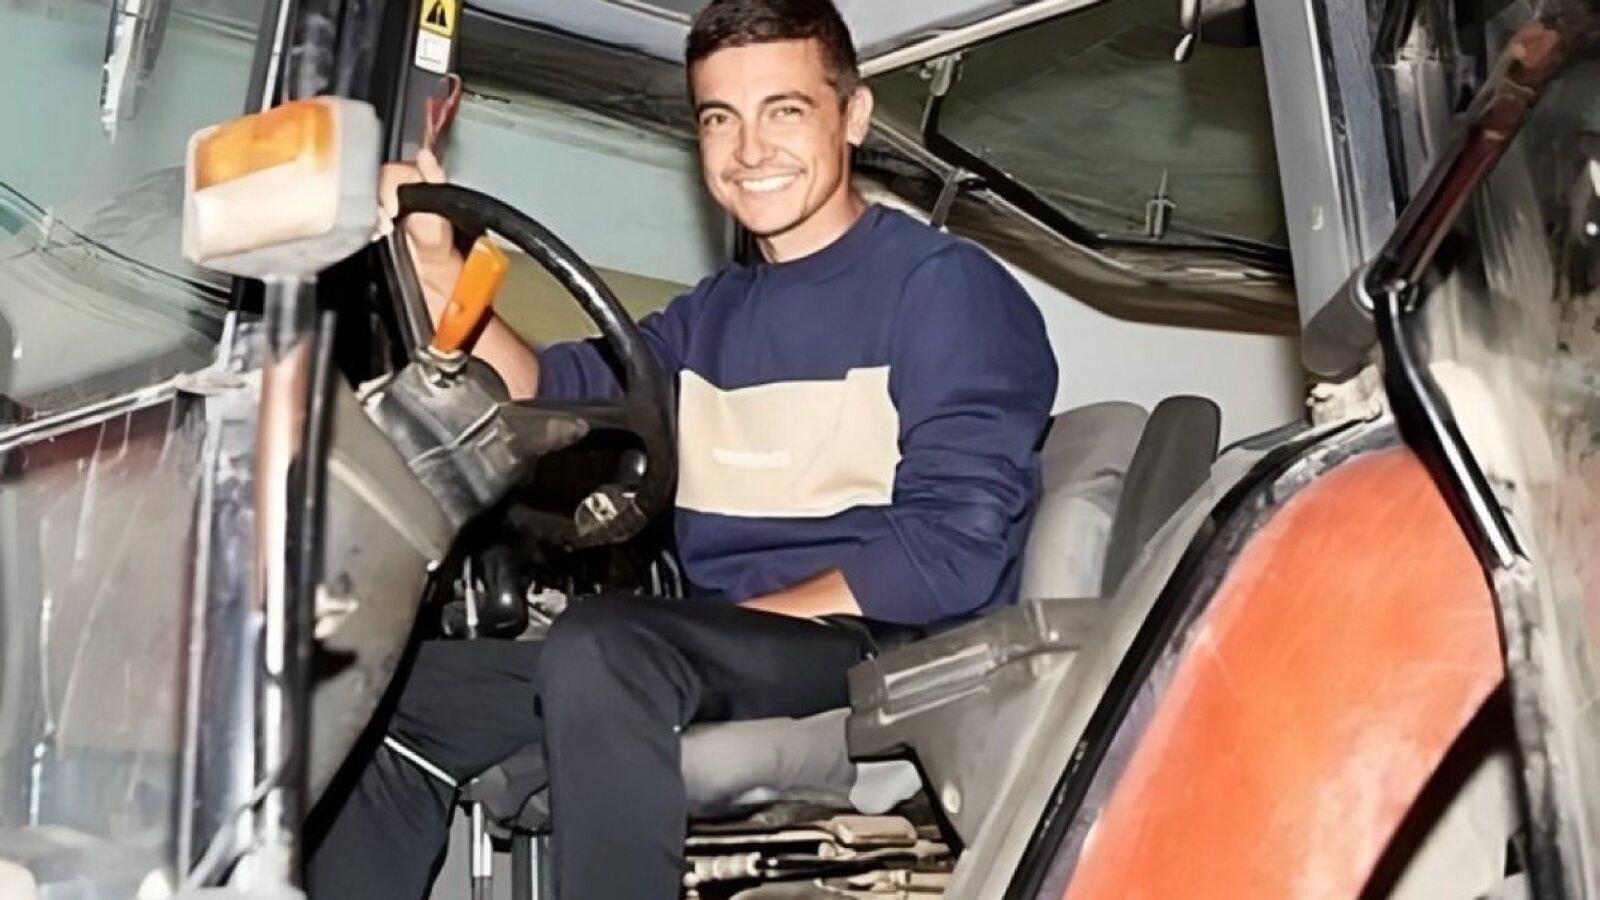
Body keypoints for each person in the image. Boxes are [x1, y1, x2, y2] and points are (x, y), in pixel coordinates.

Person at [305, 0, 1057, 897]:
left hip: (879, 646)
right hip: (726, 641)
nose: (750, 149)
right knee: (396, 696)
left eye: (785, 110)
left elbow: (953, 553)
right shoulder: (714, 314)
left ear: (852, 116)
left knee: (605, 646)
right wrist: (436, 265)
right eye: (719, 119)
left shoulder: (944, 290)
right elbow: (549, 387)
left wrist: (729, 622)